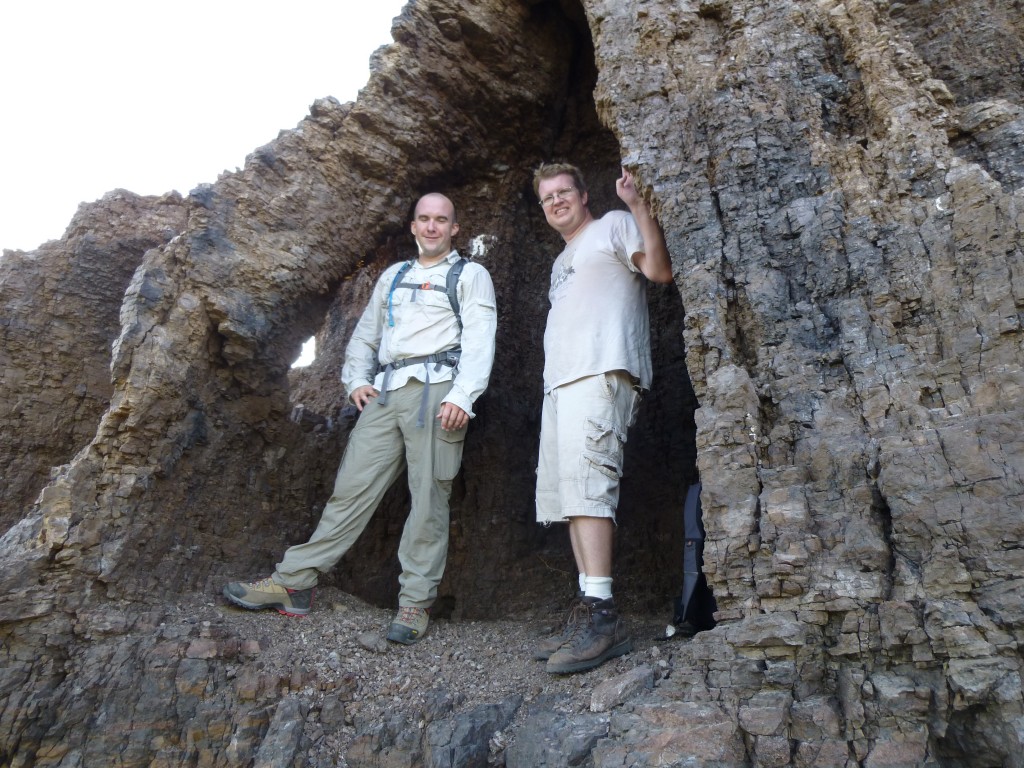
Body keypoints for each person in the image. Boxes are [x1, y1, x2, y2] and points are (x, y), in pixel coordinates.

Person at [224, 192, 497, 645]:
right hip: (385, 395)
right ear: (413, 226)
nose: (431, 227)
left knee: (428, 497)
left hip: (437, 391)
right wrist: (355, 381)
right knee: (349, 490)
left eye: (441, 220)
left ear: (454, 229)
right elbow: (366, 334)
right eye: (424, 219)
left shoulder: (470, 275)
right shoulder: (394, 276)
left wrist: (463, 395)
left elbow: (481, 338)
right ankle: (295, 582)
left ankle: (414, 603)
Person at [531, 162, 672, 674]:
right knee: (571, 497)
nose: (556, 202)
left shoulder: (611, 225)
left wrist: (637, 205)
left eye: (563, 192)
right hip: (562, 384)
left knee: (590, 488)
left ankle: (604, 618)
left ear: (583, 194)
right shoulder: (561, 260)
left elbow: (658, 271)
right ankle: (587, 604)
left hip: (602, 372)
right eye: (547, 199)